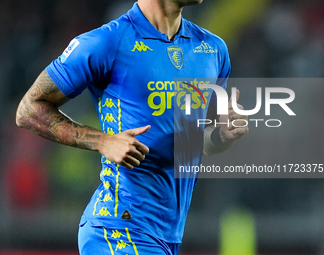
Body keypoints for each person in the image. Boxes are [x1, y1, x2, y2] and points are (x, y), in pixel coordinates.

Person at [16, 0, 248, 254]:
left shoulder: (213, 49)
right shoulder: (107, 42)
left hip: (166, 235)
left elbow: (195, 143)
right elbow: (28, 109)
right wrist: (102, 141)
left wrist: (221, 136)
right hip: (118, 230)